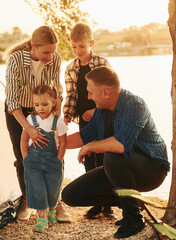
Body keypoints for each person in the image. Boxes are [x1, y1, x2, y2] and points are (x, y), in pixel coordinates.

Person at [62, 66, 170, 239]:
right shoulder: (101, 110)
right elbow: (84, 137)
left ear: (106, 93)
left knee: (112, 156)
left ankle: (133, 218)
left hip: (152, 170)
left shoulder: (135, 104)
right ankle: (131, 202)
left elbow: (120, 145)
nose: (88, 97)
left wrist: (91, 147)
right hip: (120, 169)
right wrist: (52, 142)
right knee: (70, 195)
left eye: (90, 92)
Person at [4, 25, 71, 222]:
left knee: (54, 152)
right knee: (23, 156)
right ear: (33, 46)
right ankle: (27, 200)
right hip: (19, 112)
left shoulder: (55, 58)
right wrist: (29, 129)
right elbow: (12, 101)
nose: (50, 56)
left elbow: (57, 91)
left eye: (53, 51)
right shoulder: (16, 60)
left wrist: (55, 120)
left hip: (47, 109)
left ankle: (55, 202)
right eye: (46, 52)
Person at [63, 23, 114, 219]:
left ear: (91, 43)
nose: (78, 51)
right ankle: (96, 203)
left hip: (102, 115)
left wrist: (96, 109)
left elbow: (110, 91)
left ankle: (108, 204)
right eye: (74, 47)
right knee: (87, 157)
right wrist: (66, 117)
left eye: (82, 47)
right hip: (83, 118)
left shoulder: (102, 63)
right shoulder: (71, 68)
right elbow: (71, 95)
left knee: (103, 157)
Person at [20, 85, 68, 232]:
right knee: (38, 188)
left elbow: (63, 142)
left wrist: (58, 160)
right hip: (33, 161)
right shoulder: (30, 119)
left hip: (52, 160)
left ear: (53, 102)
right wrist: (26, 159)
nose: (40, 108)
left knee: (53, 188)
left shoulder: (57, 121)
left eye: (44, 104)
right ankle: (42, 218)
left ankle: (52, 209)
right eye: (36, 105)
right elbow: (23, 141)